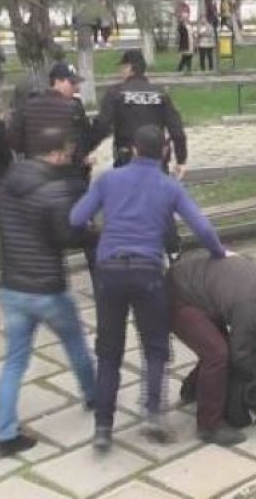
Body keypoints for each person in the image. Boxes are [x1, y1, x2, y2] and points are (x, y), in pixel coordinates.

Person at [69, 126, 227, 451]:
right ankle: (153, 414)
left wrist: (101, 230)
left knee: (109, 352)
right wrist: (218, 253)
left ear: (134, 149)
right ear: (165, 151)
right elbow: (202, 227)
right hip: (148, 272)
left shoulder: (109, 180)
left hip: (109, 272)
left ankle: (103, 427)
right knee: (155, 347)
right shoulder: (169, 186)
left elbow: (76, 217)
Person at [0, 128, 96, 457]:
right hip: (47, 287)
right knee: (75, 344)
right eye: (66, 152)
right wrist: (92, 232)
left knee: (14, 362)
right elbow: (66, 237)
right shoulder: (54, 188)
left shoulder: (6, 182)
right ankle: (94, 395)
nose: (68, 157)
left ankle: (4, 433)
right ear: (55, 153)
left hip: (12, 286)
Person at [168, 251, 256, 446]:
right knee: (217, 354)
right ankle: (209, 426)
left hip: (198, 290)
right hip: (178, 295)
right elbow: (240, 353)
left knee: (216, 346)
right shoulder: (254, 300)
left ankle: (192, 390)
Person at [89, 50, 187, 177]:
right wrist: (181, 160)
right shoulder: (160, 93)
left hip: (127, 159)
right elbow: (176, 129)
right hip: (157, 161)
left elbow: (102, 125)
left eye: (122, 67)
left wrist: (87, 149)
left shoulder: (116, 93)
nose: (120, 71)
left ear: (129, 68)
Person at [9, 63, 92, 179]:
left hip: (35, 172)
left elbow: (14, 140)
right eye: (72, 83)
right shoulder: (74, 108)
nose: (76, 87)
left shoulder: (28, 105)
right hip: (66, 175)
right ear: (57, 81)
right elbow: (84, 140)